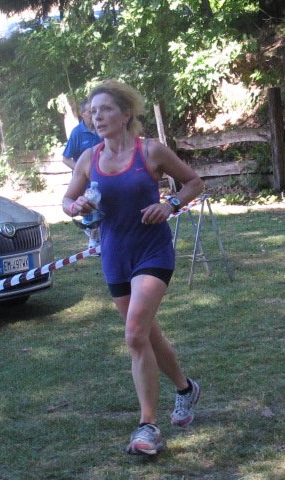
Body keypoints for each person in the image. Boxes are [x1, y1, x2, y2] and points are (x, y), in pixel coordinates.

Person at [62, 79, 204, 456]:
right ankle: (186, 388)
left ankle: (147, 427)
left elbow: (194, 182)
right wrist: (76, 207)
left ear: (126, 114)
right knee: (146, 335)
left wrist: (170, 205)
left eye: (106, 109)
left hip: (152, 252)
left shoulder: (150, 151)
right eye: (93, 112)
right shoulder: (88, 158)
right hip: (114, 255)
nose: (97, 117)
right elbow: (68, 200)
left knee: (134, 334)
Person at [62, 98, 102, 249]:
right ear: (82, 114)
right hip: (84, 183)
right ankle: (92, 237)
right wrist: (83, 170)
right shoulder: (77, 133)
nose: (94, 115)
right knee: (89, 212)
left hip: (102, 179)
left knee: (100, 210)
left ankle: (94, 241)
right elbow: (66, 158)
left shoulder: (102, 129)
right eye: (91, 112)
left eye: (96, 111)